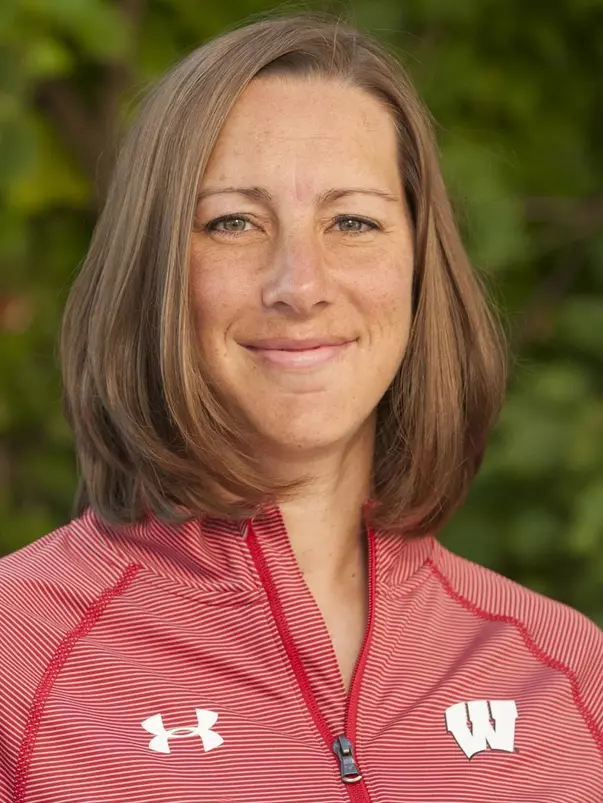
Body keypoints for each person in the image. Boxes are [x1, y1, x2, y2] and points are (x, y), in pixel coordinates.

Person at [1, 10, 601, 803]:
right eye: (233, 222)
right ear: (150, 274)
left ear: (420, 268)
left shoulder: (561, 670)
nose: (300, 284)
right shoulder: (18, 660)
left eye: (352, 221)